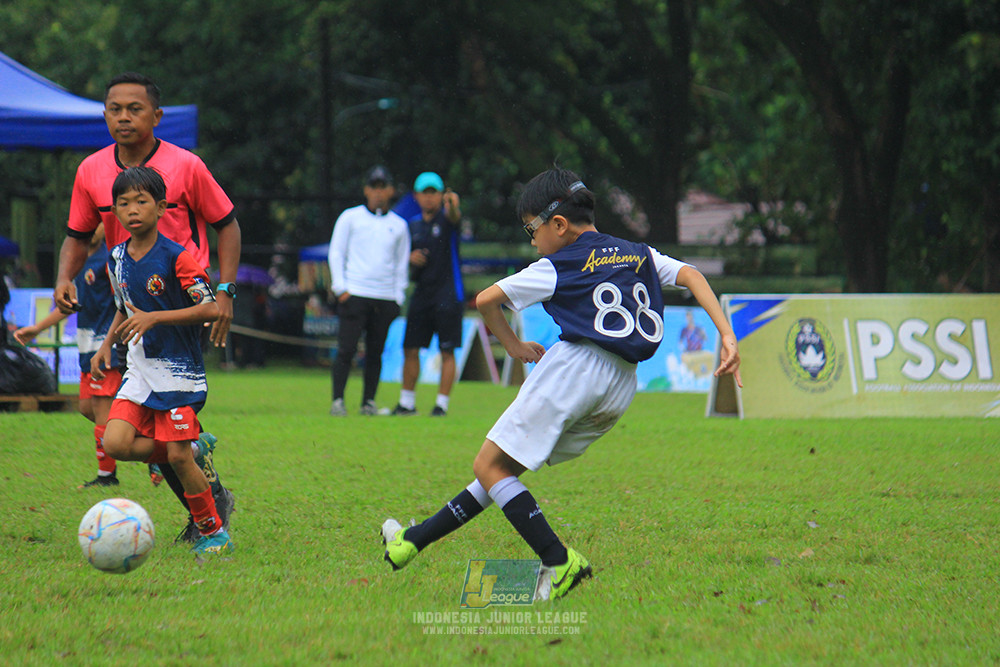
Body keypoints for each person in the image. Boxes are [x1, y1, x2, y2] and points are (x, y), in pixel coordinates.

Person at [381, 168, 742, 600]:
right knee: (502, 471)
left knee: (490, 467)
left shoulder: (558, 263)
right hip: (622, 384)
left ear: (559, 225)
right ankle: (411, 542)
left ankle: (559, 562)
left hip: (576, 367)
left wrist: (513, 345)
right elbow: (692, 277)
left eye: (532, 230)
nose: (533, 241)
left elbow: (485, 300)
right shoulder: (636, 251)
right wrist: (725, 333)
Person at [52, 72, 237, 542]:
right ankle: (200, 470)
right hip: (127, 305)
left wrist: (227, 293)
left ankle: (206, 513)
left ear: (156, 115)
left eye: (135, 109)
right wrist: (63, 279)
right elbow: (76, 236)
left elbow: (227, 224)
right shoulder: (91, 171)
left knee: (159, 413)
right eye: (115, 109)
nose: (124, 117)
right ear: (104, 114)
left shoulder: (186, 166)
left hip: (181, 306)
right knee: (115, 416)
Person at [92, 166, 232, 554]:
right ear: (115, 211)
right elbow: (124, 307)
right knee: (116, 442)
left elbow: (209, 309)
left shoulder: (178, 257)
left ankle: (214, 532)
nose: (132, 209)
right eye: (124, 203)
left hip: (178, 375)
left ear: (161, 206)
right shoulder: (116, 258)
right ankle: (192, 443)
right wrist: (107, 345)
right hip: (139, 371)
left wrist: (156, 317)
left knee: (177, 458)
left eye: (141, 201)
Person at [15, 224, 124, 488]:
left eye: (99, 221)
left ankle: (106, 477)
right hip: (86, 346)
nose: (93, 227)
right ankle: (142, 435)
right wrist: (38, 328)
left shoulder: (111, 259)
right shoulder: (77, 261)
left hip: (104, 346)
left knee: (101, 413)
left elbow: (123, 303)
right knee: (88, 408)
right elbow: (70, 305)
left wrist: (113, 341)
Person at [327, 165, 410, 416]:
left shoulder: (399, 225)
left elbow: (401, 263)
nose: (378, 192)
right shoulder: (350, 218)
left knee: (376, 352)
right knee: (346, 349)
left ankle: (368, 402)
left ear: (391, 191)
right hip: (355, 293)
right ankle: (338, 400)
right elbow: (336, 252)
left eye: (383, 187)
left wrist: (398, 296)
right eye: (374, 187)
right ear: (366, 190)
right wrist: (340, 287)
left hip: (384, 297)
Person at [391, 172, 464, 417]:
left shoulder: (448, 220)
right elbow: (400, 259)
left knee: (447, 351)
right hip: (421, 294)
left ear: (441, 195)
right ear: (417, 195)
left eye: (434, 192)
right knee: (410, 348)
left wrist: (452, 206)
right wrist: (409, 258)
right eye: (425, 192)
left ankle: (441, 405)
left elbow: (455, 216)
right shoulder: (410, 225)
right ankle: (407, 403)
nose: (429, 197)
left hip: (448, 294)